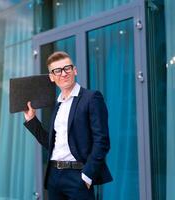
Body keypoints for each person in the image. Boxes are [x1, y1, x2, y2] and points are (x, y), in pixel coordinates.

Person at [23, 51, 112, 200]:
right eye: (57, 70)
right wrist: (32, 119)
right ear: (52, 77)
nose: (63, 74)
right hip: (54, 175)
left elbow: (102, 141)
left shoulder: (91, 98)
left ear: (74, 70)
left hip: (78, 176)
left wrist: (87, 175)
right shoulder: (57, 105)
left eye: (67, 68)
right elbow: (51, 143)